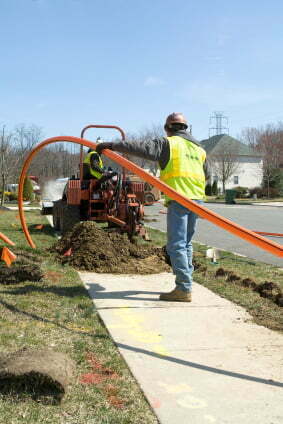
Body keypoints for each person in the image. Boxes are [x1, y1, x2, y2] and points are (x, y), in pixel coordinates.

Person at [96, 113, 206, 302]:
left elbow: (140, 147)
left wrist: (112, 146)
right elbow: (207, 175)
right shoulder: (199, 149)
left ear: (168, 128)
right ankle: (186, 284)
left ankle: (184, 288)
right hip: (197, 200)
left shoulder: (168, 143)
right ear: (185, 128)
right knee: (186, 243)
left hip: (180, 198)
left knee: (176, 245)